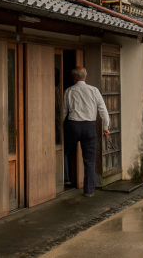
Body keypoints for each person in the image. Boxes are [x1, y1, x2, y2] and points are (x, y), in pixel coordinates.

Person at [63, 66, 110, 197]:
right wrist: (106, 128)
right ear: (85, 77)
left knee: (64, 150)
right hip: (89, 126)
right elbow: (103, 111)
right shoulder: (94, 90)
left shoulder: (69, 91)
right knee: (89, 160)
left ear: (74, 78)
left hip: (73, 126)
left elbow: (64, 111)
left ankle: (66, 178)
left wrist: (58, 127)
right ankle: (89, 190)